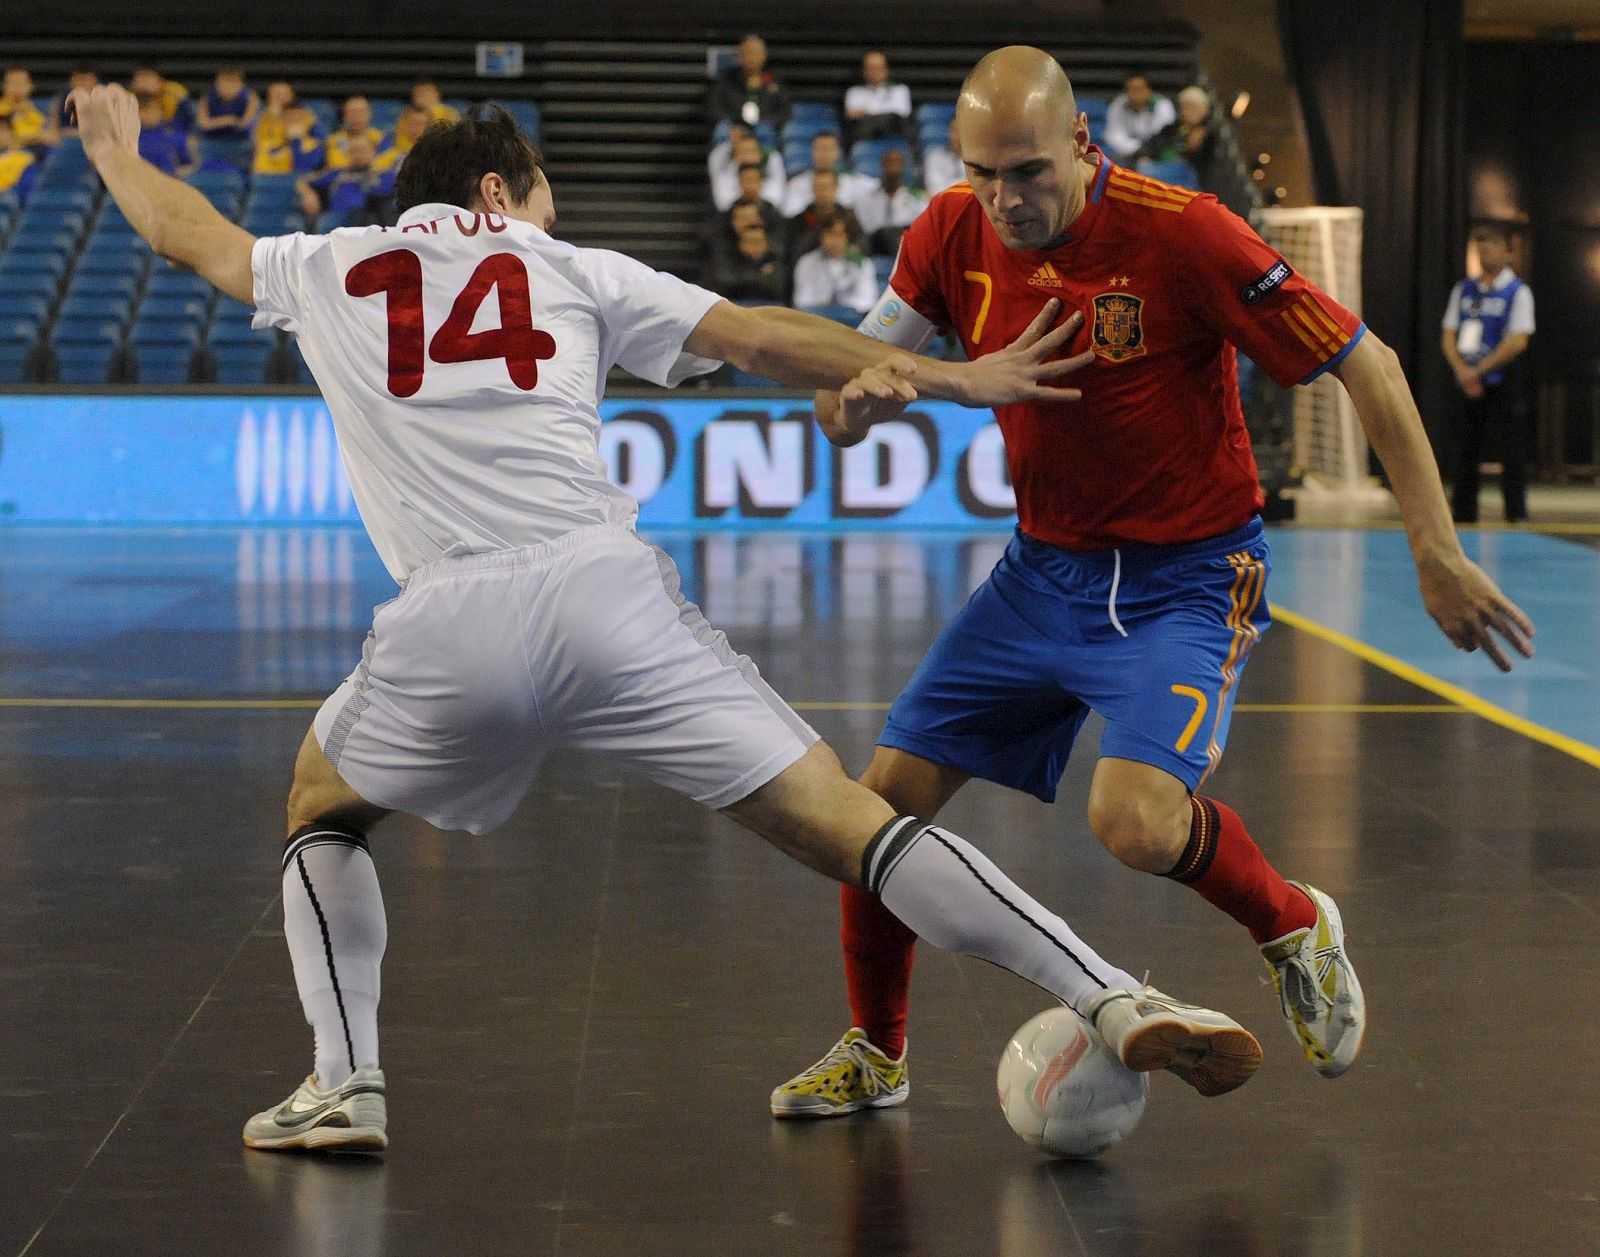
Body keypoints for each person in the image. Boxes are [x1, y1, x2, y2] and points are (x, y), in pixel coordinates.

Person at [71, 82, 1267, 1151]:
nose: (548, 216)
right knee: (851, 824)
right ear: (496, 192)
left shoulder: (327, 264)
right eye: (541, 198)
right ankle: (1109, 991)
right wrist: (959, 376)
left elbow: (187, 233)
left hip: (447, 620)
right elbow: (761, 338)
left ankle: (344, 1084)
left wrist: (118, 150)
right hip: (602, 594)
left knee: (321, 806)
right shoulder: (574, 268)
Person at [771, 44, 1536, 1119]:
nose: (1005, 200)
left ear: (1082, 143)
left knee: (1133, 822)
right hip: (1041, 573)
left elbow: (1368, 362)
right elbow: (842, 396)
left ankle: (1293, 925)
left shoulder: (1185, 233)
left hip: (1189, 575)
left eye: (1029, 172)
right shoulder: (945, 231)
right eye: (983, 174)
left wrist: (1435, 548)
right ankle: (877, 1052)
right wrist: (854, 407)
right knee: (874, 815)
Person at [1443, 224, 1536, 524]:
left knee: (1512, 450)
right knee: (1465, 448)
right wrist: (1462, 370)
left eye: (1491, 248)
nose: (1486, 255)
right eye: (1480, 250)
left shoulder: (1517, 291)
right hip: (1467, 381)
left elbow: (1518, 340)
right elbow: (1448, 334)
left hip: (1502, 381)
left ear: (1506, 252)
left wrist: (1480, 370)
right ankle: (1463, 510)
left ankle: (1516, 513)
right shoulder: (1464, 290)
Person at [296, 133, 396, 228]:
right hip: (339, 220)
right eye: (353, 151)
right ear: (348, 154)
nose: (358, 155)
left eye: (362, 150)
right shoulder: (337, 174)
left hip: (371, 221)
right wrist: (308, 194)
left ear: (373, 152)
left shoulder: (386, 175)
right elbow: (302, 181)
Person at [792, 212, 877, 314]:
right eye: (829, 234)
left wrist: (842, 309)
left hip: (850, 319)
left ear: (848, 237)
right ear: (821, 236)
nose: (834, 240)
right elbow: (801, 300)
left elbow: (868, 300)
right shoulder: (806, 262)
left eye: (839, 235)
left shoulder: (862, 263)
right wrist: (826, 307)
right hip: (817, 317)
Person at [1135, 86, 1218, 188]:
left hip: (1187, 172)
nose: (1185, 112)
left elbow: (1205, 163)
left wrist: (1196, 146)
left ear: (1203, 110)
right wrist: (1144, 155)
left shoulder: (1208, 133)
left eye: (1190, 108)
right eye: (1183, 107)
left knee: (1145, 171)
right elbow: (1152, 143)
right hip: (1163, 165)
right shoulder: (1172, 128)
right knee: (1142, 168)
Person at [708, 34, 790, 132]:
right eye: (747, 53)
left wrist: (766, 124)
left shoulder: (773, 80)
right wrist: (734, 125)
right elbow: (714, 109)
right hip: (733, 132)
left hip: (765, 132)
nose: (751, 58)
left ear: (764, 56)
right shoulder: (726, 79)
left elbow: (785, 111)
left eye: (755, 53)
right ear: (740, 56)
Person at [854, 148, 928, 254]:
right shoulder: (867, 199)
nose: (892, 168)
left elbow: (921, 228)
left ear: (903, 166)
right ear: (882, 166)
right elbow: (866, 230)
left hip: (905, 240)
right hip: (876, 243)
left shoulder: (917, 198)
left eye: (896, 163)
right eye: (889, 162)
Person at [781, 131, 873, 216]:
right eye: (819, 149)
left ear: (838, 152)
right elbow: (790, 214)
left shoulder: (854, 181)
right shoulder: (796, 184)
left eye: (828, 149)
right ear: (812, 152)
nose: (824, 154)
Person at [709, 211, 786, 304]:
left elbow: (779, 287)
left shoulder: (777, 259)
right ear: (740, 244)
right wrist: (761, 275)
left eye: (757, 242)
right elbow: (725, 282)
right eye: (748, 242)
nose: (753, 247)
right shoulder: (729, 259)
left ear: (767, 244)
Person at [786, 168, 864, 259]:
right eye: (818, 187)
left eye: (826, 187)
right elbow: (790, 251)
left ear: (836, 188)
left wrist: (853, 248)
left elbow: (862, 242)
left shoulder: (848, 217)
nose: (822, 192)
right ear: (812, 189)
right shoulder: (799, 221)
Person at [1102, 72, 1174, 163]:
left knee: (1145, 165)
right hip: (1128, 152)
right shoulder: (1118, 104)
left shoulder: (1162, 105)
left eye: (1140, 89)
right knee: (1109, 161)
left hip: (1156, 153)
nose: (1136, 93)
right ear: (1126, 92)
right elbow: (1114, 134)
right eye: (1132, 89)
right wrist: (1136, 150)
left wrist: (1145, 152)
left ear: (1149, 90)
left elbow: (1163, 136)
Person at [844, 51, 912, 145]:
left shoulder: (900, 90)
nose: (875, 71)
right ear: (864, 71)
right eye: (870, 68)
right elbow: (852, 115)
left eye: (878, 67)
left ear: (886, 69)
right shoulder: (854, 92)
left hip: (894, 136)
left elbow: (902, 113)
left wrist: (866, 112)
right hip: (865, 138)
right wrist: (886, 110)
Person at [710, 127, 784, 211]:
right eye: (744, 152)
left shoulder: (726, 198)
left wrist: (735, 148)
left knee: (724, 129)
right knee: (764, 129)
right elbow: (774, 156)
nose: (748, 156)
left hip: (724, 154)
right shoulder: (772, 193)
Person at [136, 92, 198, 177]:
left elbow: (192, 165)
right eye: (148, 109)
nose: (156, 113)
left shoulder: (174, 136)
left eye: (158, 109)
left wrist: (179, 172)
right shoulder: (128, 138)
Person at [325, 96, 390, 170]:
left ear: (369, 114)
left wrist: (368, 164)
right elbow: (336, 163)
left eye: (361, 112)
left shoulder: (380, 138)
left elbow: (388, 162)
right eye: (352, 113)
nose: (357, 117)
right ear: (344, 117)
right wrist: (359, 162)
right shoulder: (335, 140)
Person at [130, 65, 193, 132]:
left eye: (149, 76)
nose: (145, 82)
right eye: (141, 77)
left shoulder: (179, 111)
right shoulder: (126, 109)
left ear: (160, 82)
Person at [0, 68, 50, 152]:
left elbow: (49, 135)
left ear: (31, 86)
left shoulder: (39, 110)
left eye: (22, 83)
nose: (18, 87)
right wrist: (36, 136)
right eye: (13, 83)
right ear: (4, 86)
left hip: (37, 150)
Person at [50, 67, 100, 138]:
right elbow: (55, 129)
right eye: (80, 80)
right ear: (72, 81)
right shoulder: (62, 99)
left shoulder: (104, 99)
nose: (84, 84)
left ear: (95, 81)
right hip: (68, 137)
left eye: (88, 80)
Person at [922, 116, 964, 196]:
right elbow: (936, 191)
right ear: (948, 132)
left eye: (961, 130)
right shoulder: (935, 159)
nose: (957, 136)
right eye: (954, 130)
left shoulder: (979, 160)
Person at [0, 117, 39, 203]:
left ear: (11, 132)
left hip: (10, 201)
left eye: (2, 131)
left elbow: (26, 189)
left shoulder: (25, 159)